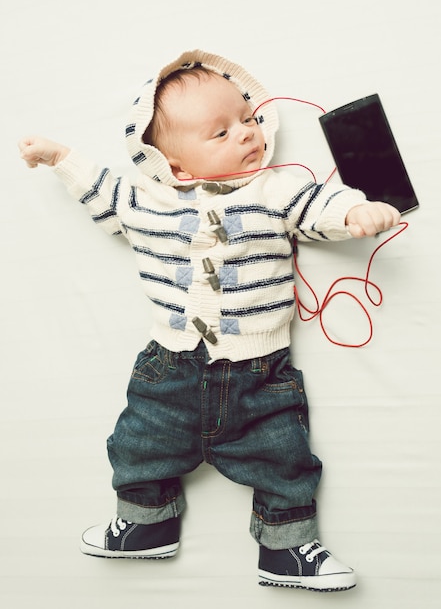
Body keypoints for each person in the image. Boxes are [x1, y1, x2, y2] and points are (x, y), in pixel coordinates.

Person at [19, 49, 400, 592]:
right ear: (173, 165)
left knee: (284, 457)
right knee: (137, 446)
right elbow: (101, 190)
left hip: (259, 373)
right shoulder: (147, 200)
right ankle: (146, 527)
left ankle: (287, 550)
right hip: (167, 368)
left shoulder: (275, 190)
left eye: (247, 119)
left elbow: (318, 204)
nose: (246, 134)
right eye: (219, 134)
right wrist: (61, 158)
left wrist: (354, 212)